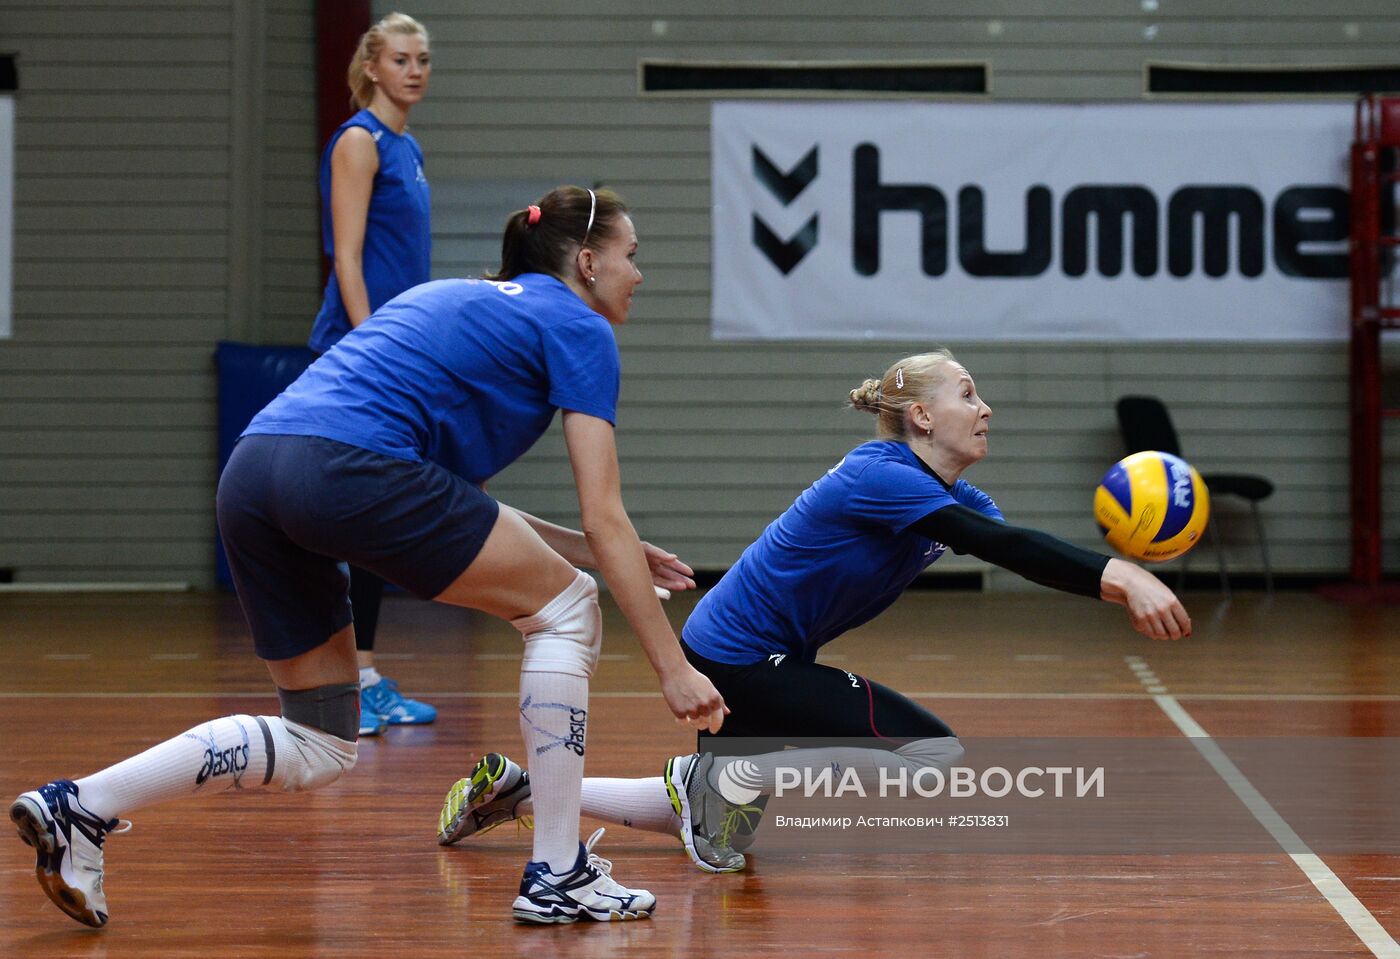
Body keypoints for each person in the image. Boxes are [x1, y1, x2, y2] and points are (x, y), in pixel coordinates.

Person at [9, 186, 728, 928]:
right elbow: (602, 509)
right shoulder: (578, 326)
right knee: (569, 607)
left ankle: (82, 805)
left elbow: (464, 507)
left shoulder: (461, 302)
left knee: (318, 740)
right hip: (347, 469)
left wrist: (599, 550)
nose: (638, 275)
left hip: (256, 471)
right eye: (631, 257)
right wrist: (671, 666)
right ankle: (559, 871)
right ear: (585, 261)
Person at [437, 349, 1191, 873]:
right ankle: (708, 784)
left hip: (762, 655)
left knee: (699, 808)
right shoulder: (882, 472)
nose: (985, 406)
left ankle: (520, 785)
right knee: (929, 752)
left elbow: (1008, 541)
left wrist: (1109, 577)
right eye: (967, 393)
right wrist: (1121, 576)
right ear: (921, 417)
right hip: (737, 654)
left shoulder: (956, 497)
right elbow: (998, 545)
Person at [312, 12, 436, 735]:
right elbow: (349, 257)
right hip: (359, 352)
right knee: (351, 518)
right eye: (401, 58)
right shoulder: (360, 142)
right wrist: (372, 348)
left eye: (423, 58)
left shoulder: (407, 145)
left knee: (372, 521)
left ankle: (360, 677)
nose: (415, 69)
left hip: (396, 347)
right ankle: (344, 683)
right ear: (372, 67)